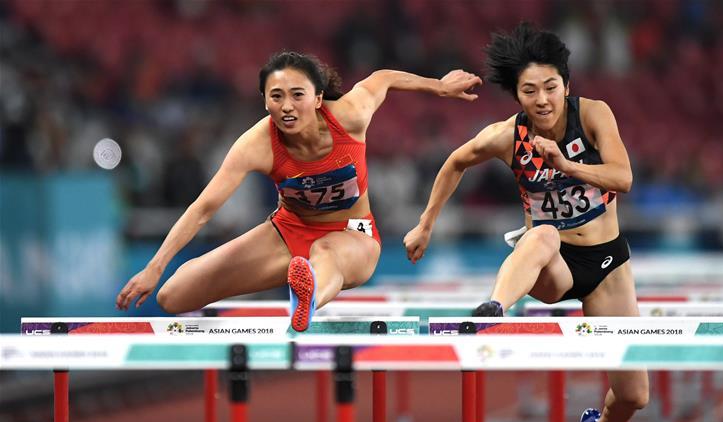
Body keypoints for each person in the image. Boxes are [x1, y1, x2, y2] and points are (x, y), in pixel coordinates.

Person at [403, 23, 648, 422]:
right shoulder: (505, 136)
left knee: (634, 395)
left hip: (607, 263)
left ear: (566, 86)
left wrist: (565, 164)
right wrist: (425, 224)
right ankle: (492, 309)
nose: (542, 99)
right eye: (530, 90)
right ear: (517, 97)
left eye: (550, 87)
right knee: (543, 236)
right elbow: (456, 160)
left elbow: (623, 178)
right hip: (552, 265)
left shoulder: (593, 115)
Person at [116, 51, 481, 332]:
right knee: (173, 294)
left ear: (319, 98)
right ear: (264, 101)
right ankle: (300, 277)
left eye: (297, 95)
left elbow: (383, 78)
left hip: (352, 235)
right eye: (276, 96)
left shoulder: (350, 116)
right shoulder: (256, 144)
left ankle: (304, 298)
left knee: (324, 253)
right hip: (287, 234)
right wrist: (155, 267)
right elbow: (203, 208)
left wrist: (439, 85)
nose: (287, 106)